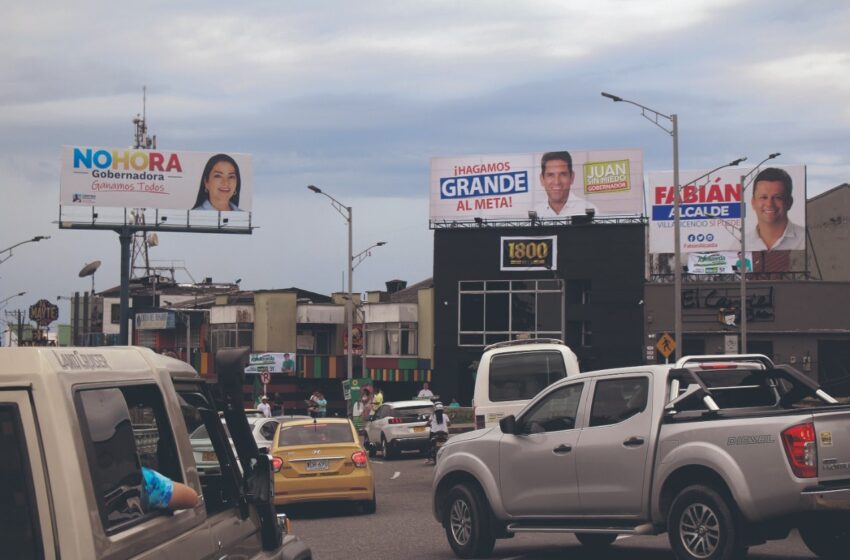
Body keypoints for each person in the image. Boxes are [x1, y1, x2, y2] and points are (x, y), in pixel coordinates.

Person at [744, 167, 805, 251]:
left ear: (789, 202)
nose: (769, 204)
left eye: (777, 197)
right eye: (764, 197)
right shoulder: (741, 244)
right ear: (753, 202)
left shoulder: (805, 239)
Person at [534, 151, 596, 217]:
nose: (557, 182)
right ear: (542, 179)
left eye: (563, 174)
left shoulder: (587, 210)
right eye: (550, 175)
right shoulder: (536, 213)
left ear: (572, 177)